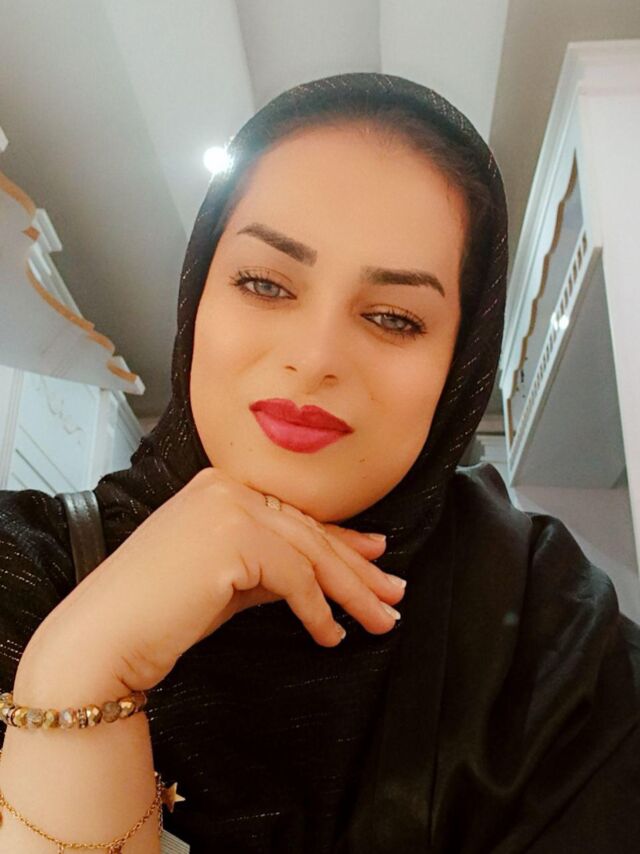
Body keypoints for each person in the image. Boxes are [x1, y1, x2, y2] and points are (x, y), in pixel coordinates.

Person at [0, 71, 638, 853]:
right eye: (265, 284)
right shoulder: (16, 572)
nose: (315, 355)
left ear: (460, 368)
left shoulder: (549, 642)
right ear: (198, 298)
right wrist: (75, 669)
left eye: (395, 318)